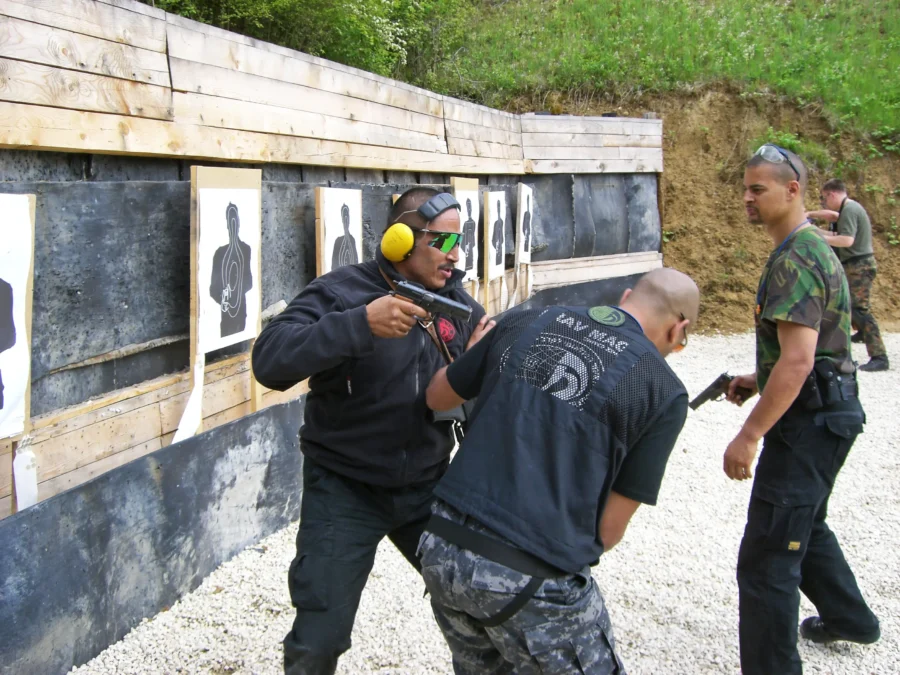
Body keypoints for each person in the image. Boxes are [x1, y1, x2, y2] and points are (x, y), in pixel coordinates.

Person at [252, 187, 495, 675]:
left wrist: (480, 363)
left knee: (482, 610)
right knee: (318, 638)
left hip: (428, 484)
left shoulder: (457, 303)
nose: (456, 254)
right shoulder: (341, 292)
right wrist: (358, 324)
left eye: (459, 241)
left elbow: (463, 395)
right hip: (344, 488)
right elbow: (270, 361)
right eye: (444, 242)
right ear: (402, 239)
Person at [418, 267, 699, 673]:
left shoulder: (525, 318)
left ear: (625, 297)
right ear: (679, 330)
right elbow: (607, 531)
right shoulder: (662, 389)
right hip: (530, 573)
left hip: (441, 548)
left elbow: (437, 395)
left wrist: (474, 359)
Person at [723, 145, 880, 675]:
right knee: (804, 523)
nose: (746, 197)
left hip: (809, 422)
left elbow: (798, 361)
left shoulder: (796, 257)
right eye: (745, 187)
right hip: (828, 410)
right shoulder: (809, 245)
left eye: (757, 189)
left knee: (768, 558)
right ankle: (849, 619)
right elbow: (815, 348)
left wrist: (749, 433)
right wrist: (757, 379)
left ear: (793, 192)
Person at [807, 179, 888, 371]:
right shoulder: (847, 209)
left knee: (859, 310)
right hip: (855, 264)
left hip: (859, 265)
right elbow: (834, 222)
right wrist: (812, 222)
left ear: (831, 194)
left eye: (824, 198)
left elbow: (846, 240)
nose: (823, 203)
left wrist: (817, 236)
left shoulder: (850, 209)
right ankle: (861, 331)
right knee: (847, 305)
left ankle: (879, 356)